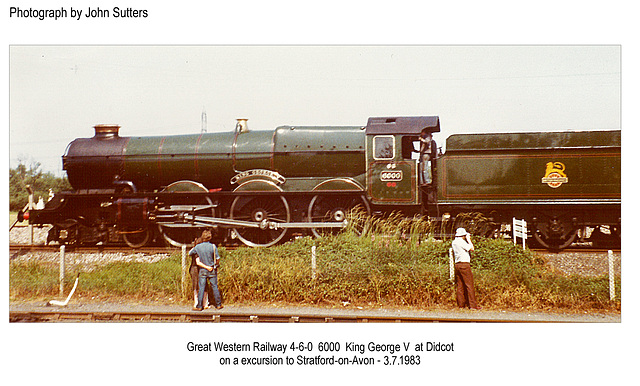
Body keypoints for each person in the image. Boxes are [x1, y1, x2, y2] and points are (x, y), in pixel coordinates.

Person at [189, 229, 223, 311]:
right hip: (212, 269)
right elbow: (218, 258)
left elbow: (190, 253)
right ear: (210, 237)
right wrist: (216, 264)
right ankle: (218, 304)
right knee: (214, 286)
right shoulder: (213, 246)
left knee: (201, 287)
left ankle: (199, 306)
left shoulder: (198, 247)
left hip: (202, 270)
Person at [451, 227, 481, 310]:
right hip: (464, 264)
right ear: (463, 235)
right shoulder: (462, 242)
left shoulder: (454, 242)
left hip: (457, 264)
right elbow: (472, 248)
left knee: (460, 285)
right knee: (469, 285)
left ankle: (461, 305)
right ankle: (473, 305)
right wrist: (468, 239)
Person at [189, 235, 214, 309]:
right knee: (197, 286)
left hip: (200, 268)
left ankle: (205, 303)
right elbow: (198, 262)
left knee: (203, 285)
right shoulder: (196, 251)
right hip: (196, 269)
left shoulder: (196, 249)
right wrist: (208, 267)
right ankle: (198, 303)